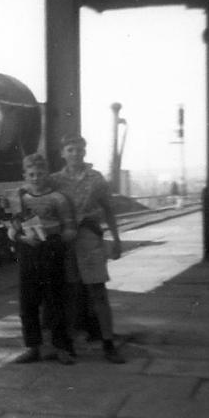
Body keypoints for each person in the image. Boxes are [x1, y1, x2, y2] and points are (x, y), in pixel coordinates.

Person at [50, 134, 126, 364]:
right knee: (70, 292)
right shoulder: (54, 181)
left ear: (85, 152)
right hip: (66, 241)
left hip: (90, 238)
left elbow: (109, 209)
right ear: (63, 153)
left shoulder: (96, 179)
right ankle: (70, 344)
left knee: (98, 292)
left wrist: (116, 239)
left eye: (79, 150)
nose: (75, 154)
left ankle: (108, 344)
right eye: (70, 150)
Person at [7, 153, 78, 364]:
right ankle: (32, 347)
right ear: (25, 175)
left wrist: (54, 242)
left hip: (52, 251)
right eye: (31, 174)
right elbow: (11, 230)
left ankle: (61, 348)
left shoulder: (59, 198)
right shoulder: (18, 199)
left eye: (40, 173)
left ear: (47, 174)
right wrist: (22, 238)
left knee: (55, 300)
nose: (36, 178)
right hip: (28, 252)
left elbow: (71, 229)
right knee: (28, 301)